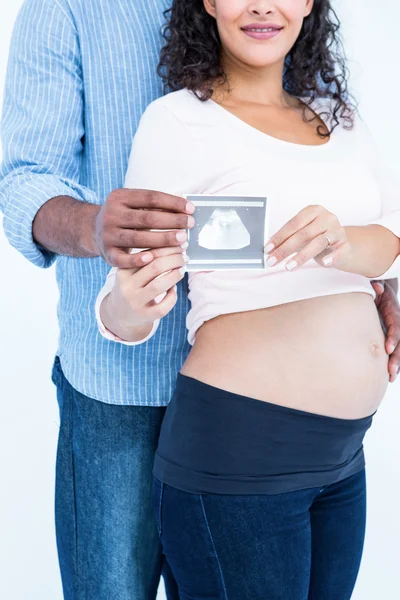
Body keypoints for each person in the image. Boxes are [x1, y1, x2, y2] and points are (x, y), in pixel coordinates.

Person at [96, 0, 400, 598]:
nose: (262, 5)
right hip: (239, 459)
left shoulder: (336, 118)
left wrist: (339, 240)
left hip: (344, 459)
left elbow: (391, 245)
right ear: (208, 3)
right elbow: (120, 307)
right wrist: (135, 303)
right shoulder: (177, 122)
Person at [0, 1, 197, 598]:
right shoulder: (66, 8)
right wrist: (94, 226)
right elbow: (23, 180)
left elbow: (307, 156)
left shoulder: (262, 7)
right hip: (117, 390)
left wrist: (365, 282)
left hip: (251, 390)